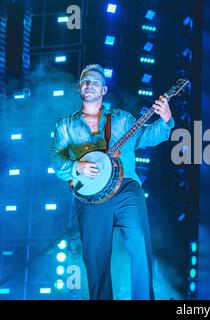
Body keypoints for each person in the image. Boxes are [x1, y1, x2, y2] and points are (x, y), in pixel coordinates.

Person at [51, 64, 175, 299]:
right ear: (79, 87)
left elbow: (147, 136)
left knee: (139, 244)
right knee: (95, 257)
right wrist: (77, 166)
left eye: (96, 82)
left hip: (126, 186)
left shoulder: (121, 119)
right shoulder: (64, 125)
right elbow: (57, 161)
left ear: (104, 89)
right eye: (85, 81)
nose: (90, 85)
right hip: (89, 197)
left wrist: (166, 120)